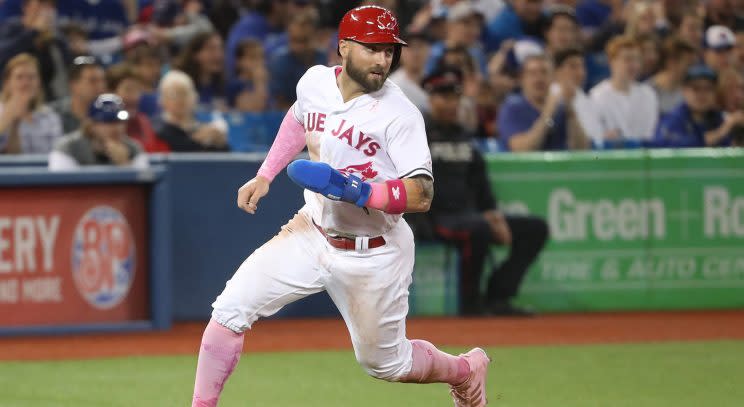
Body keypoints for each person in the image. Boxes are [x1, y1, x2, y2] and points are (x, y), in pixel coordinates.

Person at [191, 6, 490, 407]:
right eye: (372, 49)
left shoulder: (399, 114)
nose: (383, 59)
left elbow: (421, 194)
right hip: (311, 233)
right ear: (344, 48)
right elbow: (299, 119)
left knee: (386, 364)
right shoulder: (314, 82)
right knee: (228, 312)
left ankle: (465, 371)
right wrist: (265, 174)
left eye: (389, 51)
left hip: (375, 252)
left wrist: (361, 191)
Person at [420, 67, 549, 316]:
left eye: (454, 97)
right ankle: (470, 305)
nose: (450, 104)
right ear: (430, 99)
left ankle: (498, 296)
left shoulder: (464, 137)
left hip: (471, 216)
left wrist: (493, 214)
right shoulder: (419, 133)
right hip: (434, 219)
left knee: (535, 229)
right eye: (443, 97)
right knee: (476, 229)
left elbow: (480, 181)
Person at [498, 54, 592, 151]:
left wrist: (570, 110)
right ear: (522, 79)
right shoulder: (512, 108)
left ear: (553, 78)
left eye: (544, 72)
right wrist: (548, 112)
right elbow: (522, 149)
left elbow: (582, 149)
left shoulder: (561, 108)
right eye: (532, 73)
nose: (539, 78)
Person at [589, 35, 658, 146]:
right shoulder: (597, 96)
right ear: (612, 61)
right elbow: (595, 137)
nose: (634, 65)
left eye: (637, 59)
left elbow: (648, 135)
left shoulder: (648, 94)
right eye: (628, 59)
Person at [48, 93, 149, 170]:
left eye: (119, 121)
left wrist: (125, 164)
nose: (116, 128)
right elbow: (62, 188)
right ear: (91, 125)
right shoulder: (68, 148)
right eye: (107, 122)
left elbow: (142, 189)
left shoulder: (133, 148)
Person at [653, 65, 739, 148]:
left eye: (708, 89)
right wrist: (720, 132)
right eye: (696, 88)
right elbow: (674, 147)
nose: (702, 94)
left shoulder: (717, 118)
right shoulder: (673, 119)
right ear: (684, 91)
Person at [0, 53, 63, 154]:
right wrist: (8, 121)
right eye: (19, 77)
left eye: (31, 77)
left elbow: (56, 156)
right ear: (7, 83)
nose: (26, 83)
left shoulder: (50, 117)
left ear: (39, 83)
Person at [154, 70, 229, 152]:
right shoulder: (155, 128)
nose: (181, 99)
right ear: (162, 100)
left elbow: (225, 158)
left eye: (185, 93)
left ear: (195, 96)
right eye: (174, 94)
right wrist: (196, 141)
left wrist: (221, 143)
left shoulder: (204, 127)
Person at [268, 9, 327, 110]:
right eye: (294, 40)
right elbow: (279, 104)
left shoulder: (324, 59)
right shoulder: (279, 62)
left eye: (304, 40)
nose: (299, 47)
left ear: (316, 37)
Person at [107, 64, 170, 153]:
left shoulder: (144, 121)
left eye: (138, 90)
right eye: (128, 90)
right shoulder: (104, 126)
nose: (135, 97)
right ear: (111, 92)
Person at [49, 56, 107, 134]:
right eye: (93, 81)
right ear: (73, 84)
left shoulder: (109, 113)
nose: (100, 86)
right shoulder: (51, 115)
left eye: (102, 81)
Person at [175, 31, 227, 113]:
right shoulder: (179, 85)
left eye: (220, 48)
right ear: (195, 54)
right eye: (211, 49)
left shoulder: (224, 86)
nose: (218, 55)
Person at [647, 37, 697, 117]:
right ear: (671, 62)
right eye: (689, 64)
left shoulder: (690, 90)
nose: (693, 68)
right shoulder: (648, 90)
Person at [390, 31, 432, 113]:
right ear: (400, 52)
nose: (416, 53)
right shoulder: (392, 85)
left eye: (420, 46)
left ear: (429, 50)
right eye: (409, 47)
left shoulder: (435, 80)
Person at [227, 39, 269, 112]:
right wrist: (259, 82)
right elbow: (254, 109)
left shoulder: (269, 82)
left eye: (261, 57)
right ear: (239, 61)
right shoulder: (235, 84)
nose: (259, 61)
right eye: (253, 57)